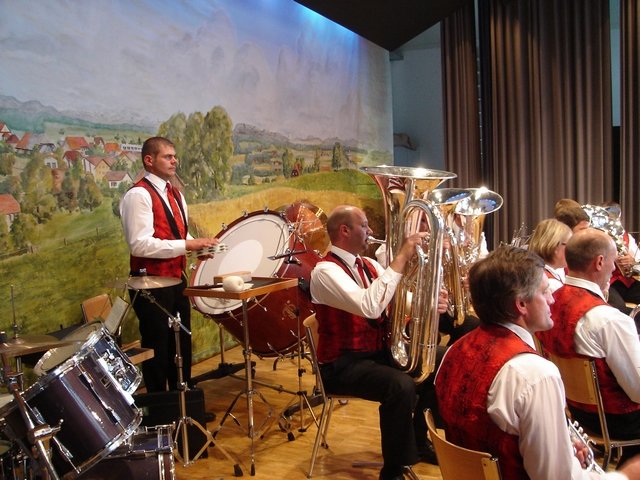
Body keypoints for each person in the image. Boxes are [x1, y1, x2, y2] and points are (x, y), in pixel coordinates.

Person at [435, 244, 640, 480]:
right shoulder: (534, 374)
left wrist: (560, 446)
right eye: (544, 292)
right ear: (521, 304)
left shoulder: (455, 351)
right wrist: (625, 475)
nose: (552, 299)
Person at [309, 205, 448, 480]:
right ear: (345, 230)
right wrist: (402, 255)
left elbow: (396, 297)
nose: (370, 231)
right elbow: (370, 306)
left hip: (376, 352)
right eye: (364, 225)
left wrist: (430, 303)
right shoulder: (324, 272)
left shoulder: (369, 264)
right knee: (400, 385)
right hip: (342, 364)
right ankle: (393, 470)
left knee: (440, 360)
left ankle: (418, 441)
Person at [120, 136, 220, 392]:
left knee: (181, 343)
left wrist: (198, 248)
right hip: (149, 284)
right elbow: (139, 244)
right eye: (167, 156)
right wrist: (188, 245)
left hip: (176, 279)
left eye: (175, 156)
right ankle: (160, 407)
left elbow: (179, 234)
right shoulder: (138, 195)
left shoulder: (176, 195)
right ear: (149, 160)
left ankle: (183, 401)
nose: (174, 161)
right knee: (158, 347)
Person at [537, 228, 640, 466]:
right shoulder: (608, 319)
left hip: (577, 414)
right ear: (600, 262)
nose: (614, 268)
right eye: (613, 261)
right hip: (617, 421)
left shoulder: (550, 302)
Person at [601, 201, 640, 314]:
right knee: (619, 309)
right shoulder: (596, 237)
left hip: (627, 281)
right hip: (608, 283)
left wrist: (633, 261)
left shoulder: (627, 237)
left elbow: (638, 263)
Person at [528, 218, 573, 293]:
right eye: (569, 245)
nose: (571, 250)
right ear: (555, 246)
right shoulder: (552, 284)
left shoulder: (535, 269)